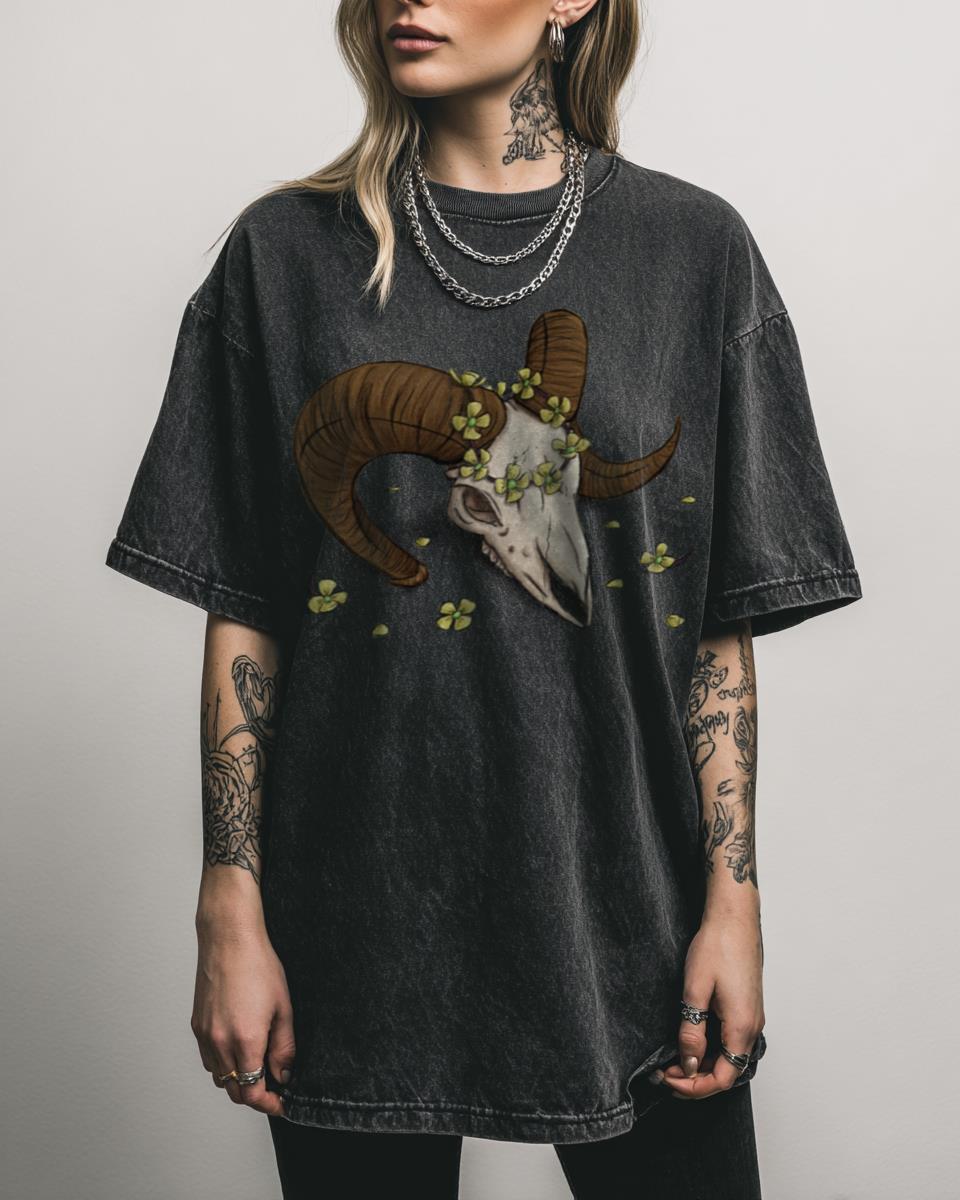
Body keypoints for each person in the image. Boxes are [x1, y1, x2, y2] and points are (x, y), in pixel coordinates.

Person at [104, 1, 863, 1196]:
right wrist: (229, 905)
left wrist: (734, 901)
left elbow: (716, 631)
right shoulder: (284, 256)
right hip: (353, 923)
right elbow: (245, 605)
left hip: (630, 916)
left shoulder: (693, 252)